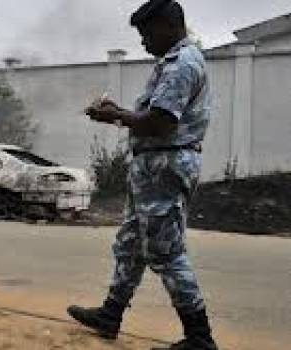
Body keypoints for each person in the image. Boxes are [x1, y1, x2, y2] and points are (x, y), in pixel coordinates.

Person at [67, 1, 218, 349]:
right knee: (131, 245)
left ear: (168, 25)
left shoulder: (182, 64)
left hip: (165, 167)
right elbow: (153, 116)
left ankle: (200, 338)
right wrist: (120, 112)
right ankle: (111, 313)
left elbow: (161, 122)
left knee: (166, 252)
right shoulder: (172, 63)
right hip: (153, 168)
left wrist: (115, 117)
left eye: (147, 33)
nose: (144, 42)